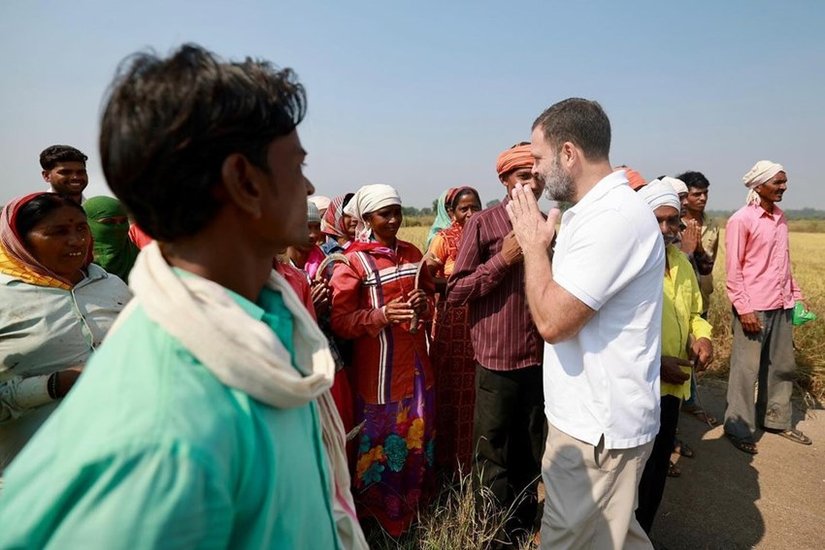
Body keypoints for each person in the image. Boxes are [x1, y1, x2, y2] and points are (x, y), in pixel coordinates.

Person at [0, 44, 367, 549]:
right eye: (297, 165)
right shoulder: (163, 434)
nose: (307, 185)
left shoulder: (270, 329)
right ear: (244, 181)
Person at [507, 98, 664, 549]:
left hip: (598, 430)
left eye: (538, 158)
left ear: (569, 153)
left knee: (569, 541)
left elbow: (555, 321)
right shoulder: (588, 213)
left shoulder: (612, 218)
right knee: (616, 536)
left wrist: (533, 246)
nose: (534, 172)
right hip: (591, 421)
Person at [447, 143, 546, 545]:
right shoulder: (484, 224)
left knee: (531, 450)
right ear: (505, 180)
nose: (531, 184)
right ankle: (489, 533)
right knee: (493, 453)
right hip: (496, 359)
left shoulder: (549, 224)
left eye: (537, 176)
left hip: (539, 358)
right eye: (523, 176)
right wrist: (503, 259)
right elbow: (455, 291)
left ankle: (521, 527)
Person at [330, 184, 435, 537]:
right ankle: (380, 517)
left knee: (416, 437)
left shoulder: (411, 252)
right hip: (380, 375)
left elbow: (430, 300)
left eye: (396, 212)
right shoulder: (352, 261)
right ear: (367, 218)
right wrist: (381, 315)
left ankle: (414, 506)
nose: (392, 220)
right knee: (382, 444)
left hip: (418, 369)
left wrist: (424, 305)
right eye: (383, 214)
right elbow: (341, 322)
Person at [0, 192, 131, 473]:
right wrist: (52, 385)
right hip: (29, 473)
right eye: (57, 232)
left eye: (81, 228)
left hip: (117, 460)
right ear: (21, 239)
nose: (76, 241)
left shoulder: (111, 285)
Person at [633, 180, 713, 534]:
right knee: (630, 476)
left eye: (672, 222)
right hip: (637, 389)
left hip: (673, 387)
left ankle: (643, 537)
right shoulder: (631, 263)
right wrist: (656, 364)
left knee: (655, 473)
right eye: (657, 221)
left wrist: (703, 338)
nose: (666, 230)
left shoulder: (681, 263)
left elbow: (696, 312)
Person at [723, 160, 811, 454]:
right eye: (778, 182)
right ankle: (738, 428)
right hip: (754, 306)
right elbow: (734, 270)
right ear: (758, 186)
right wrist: (744, 308)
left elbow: (782, 263)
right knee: (746, 370)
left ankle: (775, 420)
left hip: (781, 303)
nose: (783, 187)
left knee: (781, 367)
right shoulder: (741, 220)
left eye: (784, 182)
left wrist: (795, 295)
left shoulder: (781, 218)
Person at [426, 186, 481, 474]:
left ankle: (473, 461)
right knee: (448, 387)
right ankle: (446, 463)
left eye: (475, 207)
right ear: (451, 213)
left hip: (481, 323)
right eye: (464, 209)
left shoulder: (486, 233)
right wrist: (460, 286)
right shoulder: (443, 239)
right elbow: (428, 277)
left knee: (475, 391)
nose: (471, 213)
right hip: (452, 324)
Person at [676, 170, 720, 426]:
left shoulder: (711, 223)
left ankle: (689, 400)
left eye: (705, 193)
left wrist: (698, 247)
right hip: (677, 297)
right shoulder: (671, 221)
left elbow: (708, 264)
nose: (702, 198)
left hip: (700, 294)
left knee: (697, 349)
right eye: (696, 194)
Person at [82, 195, 139, 282]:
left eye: (123, 221)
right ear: (87, 224)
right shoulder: (73, 267)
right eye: (108, 222)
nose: (118, 227)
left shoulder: (144, 263)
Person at [286, 200, 326, 279]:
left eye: (317, 227)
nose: (313, 235)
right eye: (306, 227)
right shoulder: (276, 266)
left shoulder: (323, 263)